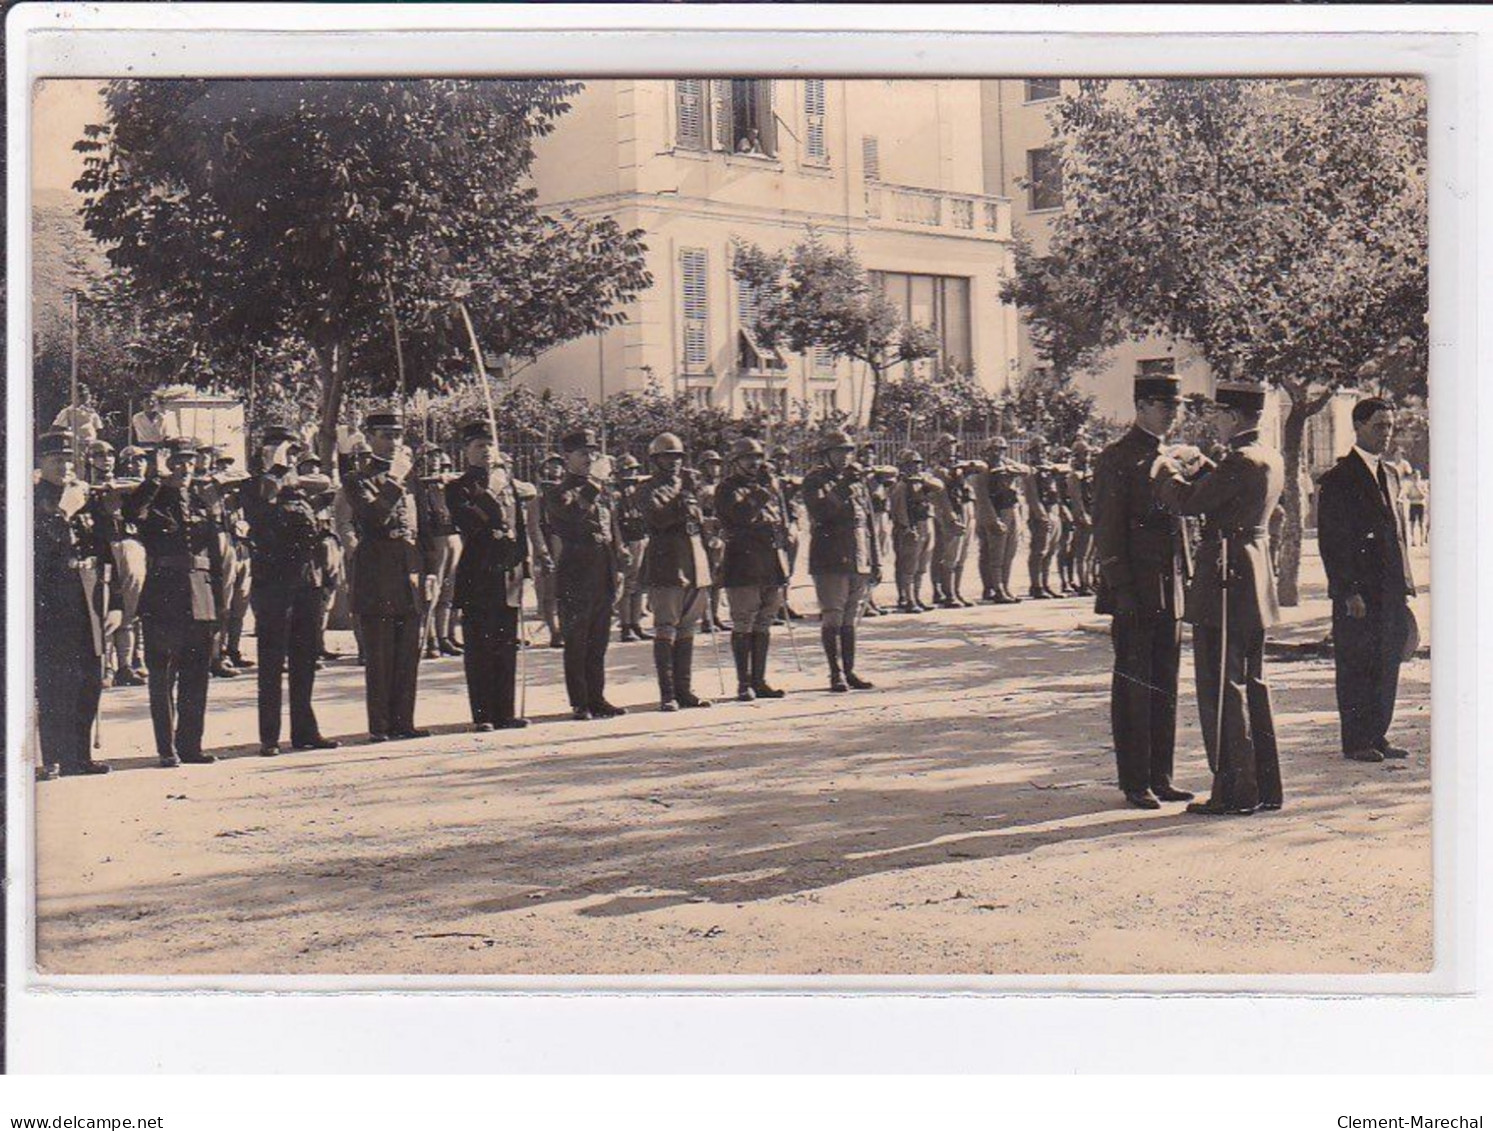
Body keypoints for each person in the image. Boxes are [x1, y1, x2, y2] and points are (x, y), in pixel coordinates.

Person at [1154, 379, 1285, 816]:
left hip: (1227, 575)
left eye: (1217, 414)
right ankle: (1264, 785)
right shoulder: (1266, 456)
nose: (1214, 420)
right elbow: (1228, 495)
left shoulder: (1240, 461)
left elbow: (1190, 502)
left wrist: (1166, 471)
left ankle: (1233, 791)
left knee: (1221, 686)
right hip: (1253, 573)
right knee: (1251, 681)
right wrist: (1208, 466)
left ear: (1232, 416)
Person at [1092, 374, 1195, 810]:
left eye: (1175, 405)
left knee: (1165, 685)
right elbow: (1107, 528)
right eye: (1161, 404)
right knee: (1135, 685)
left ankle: (1161, 775)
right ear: (1140, 406)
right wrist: (1121, 587)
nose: (1171, 412)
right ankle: (1135, 781)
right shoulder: (1117, 458)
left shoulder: (1167, 456)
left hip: (1168, 586)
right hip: (1135, 587)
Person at [1315, 397, 1418, 764]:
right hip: (1358, 592)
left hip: (1390, 588)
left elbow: (1397, 533)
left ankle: (1378, 733)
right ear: (1357, 426)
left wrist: (1406, 582)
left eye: (1389, 426)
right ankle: (1357, 740)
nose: (1385, 433)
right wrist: (1347, 590)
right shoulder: (1339, 479)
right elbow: (1333, 541)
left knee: (1387, 661)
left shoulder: (1390, 474)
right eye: (1378, 425)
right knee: (1357, 663)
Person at [125, 437, 226, 768]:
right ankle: (167, 747)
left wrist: (219, 601)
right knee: (162, 675)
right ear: (168, 464)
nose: (185, 468)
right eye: (178, 462)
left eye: (189, 461)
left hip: (200, 594)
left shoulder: (200, 499)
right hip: (164, 595)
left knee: (197, 674)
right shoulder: (155, 498)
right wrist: (154, 476)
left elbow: (215, 552)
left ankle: (191, 744)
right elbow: (132, 513)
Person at [240, 426, 338, 756]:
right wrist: (276, 469)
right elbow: (264, 507)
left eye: (292, 452)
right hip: (273, 584)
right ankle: (270, 736)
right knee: (271, 662)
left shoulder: (299, 489)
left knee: (305, 659)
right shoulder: (254, 485)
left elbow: (326, 487)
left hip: (306, 581)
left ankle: (304, 730)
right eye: (281, 450)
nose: (289, 457)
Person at [343, 407, 430, 742]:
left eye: (397, 435)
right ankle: (379, 725)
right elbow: (372, 517)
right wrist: (394, 478)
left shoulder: (411, 477)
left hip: (407, 571)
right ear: (370, 438)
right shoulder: (357, 478)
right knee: (380, 654)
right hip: (377, 571)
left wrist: (430, 570)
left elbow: (422, 527)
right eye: (386, 435)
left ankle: (403, 722)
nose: (393, 441)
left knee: (408, 652)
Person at [34, 431, 114, 778]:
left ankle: (78, 756)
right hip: (51, 601)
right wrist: (63, 512)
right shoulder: (34, 500)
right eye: (56, 460)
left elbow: (107, 550)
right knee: (55, 682)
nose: (65, 466)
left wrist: (117, 605)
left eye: (69, 459)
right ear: (41, 463)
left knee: (88, 679)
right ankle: (52, 757)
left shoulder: (84, 497)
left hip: (88, 597)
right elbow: (41, 549)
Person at [446, 421, 530, 732]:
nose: (486, 451)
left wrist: (525, 568)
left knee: (505, 645)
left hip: (508, 574)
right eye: (479, 445)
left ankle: (505, 711)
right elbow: (471, 524)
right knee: (480, 646)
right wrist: (491, 495)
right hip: (479, 573)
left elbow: (518, 529)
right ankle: (483, 713)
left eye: (489, 445)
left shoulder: (507, 485)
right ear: (466, 451)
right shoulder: (459, 487)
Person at [546, 429, 628, 720]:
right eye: (583, 453)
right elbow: (574, 515)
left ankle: (597, 696)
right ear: (567, 457)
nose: (590, 458)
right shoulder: (559, 490)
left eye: (593, 453)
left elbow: (609, 526)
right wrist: (594, 482)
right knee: (577, 640)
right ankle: (580, 701)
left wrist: (618, 561)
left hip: (602, 568)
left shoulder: (601, 490)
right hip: (576, 570)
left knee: (599, 640)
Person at [636, 433, 715, 712]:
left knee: (687, 628)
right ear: (656, 460)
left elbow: (700, 520)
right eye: (668, 457)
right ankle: (667, 693)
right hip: (667, 561)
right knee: (666, 627)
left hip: (695, 560)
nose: (674, 462)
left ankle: (685, 689)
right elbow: (658, 519)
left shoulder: (689, 486)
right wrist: (682, 498)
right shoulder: (647, 488)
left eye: (678, 457)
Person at [802, 431, 878, 693]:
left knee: (851, 618)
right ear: (826, 455)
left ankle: (850, 669)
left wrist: (874, 560)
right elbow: (821, 511)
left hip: (858, 555)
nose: (845, 457)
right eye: (838, 452)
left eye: (848, 451)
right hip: (830, 556)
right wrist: (844, 486)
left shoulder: (856, 481)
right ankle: (835, 674)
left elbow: (867, 522)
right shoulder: (815, 481)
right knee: (833, 615)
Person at [716, 437, 791, 701]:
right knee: (744, 621)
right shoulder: (727, 488)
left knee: (764, 621)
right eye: (748, 458)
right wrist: (762, 492)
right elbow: (740, 516)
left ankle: (759, 680)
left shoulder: (766, 488)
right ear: (735, 462)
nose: (755, 463)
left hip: (770, 561)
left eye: (758, 458)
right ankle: (743, 683)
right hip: (744, 563)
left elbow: (776, 520)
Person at [416, 448, 463, 658]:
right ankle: (430, 639)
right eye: (429, 456)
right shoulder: (418, 483)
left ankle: (444, 637)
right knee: (431, 591)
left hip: (452, 535)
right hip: (433, 538)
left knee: (449, 590)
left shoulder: (447, 483)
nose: (434, 460)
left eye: (437, 456)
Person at [974, 438, 1023, 604]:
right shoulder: (983, 468)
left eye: (1001, 449)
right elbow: (982, 497)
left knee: (1009, 551)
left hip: (1010, 508)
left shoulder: (1006, 463)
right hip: (994, 511)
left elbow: (1026, 470)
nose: (998, 453)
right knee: (995, 553)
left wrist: (1010, 468)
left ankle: (1004, 585)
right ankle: (996, 588)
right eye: (994, 449)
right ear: (986, 451)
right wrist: (993, 519)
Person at [930, 433, 975, 609]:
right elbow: (942, 497)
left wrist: (963, 467)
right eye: (947, 445)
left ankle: (956, 590)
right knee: (950, 554)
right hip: (949, 510)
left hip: (965, 508)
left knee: (962, 554)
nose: (951, 448)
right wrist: (951, 517)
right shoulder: (939, 470)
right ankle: (947, 592)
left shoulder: (959, 467)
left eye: (953, 444)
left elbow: (979, 468)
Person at [889, 448, 937, 613]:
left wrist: (924, 481)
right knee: (908, 565)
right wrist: (907, 528)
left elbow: (939, 487)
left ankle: (916, 596)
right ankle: (908, 598)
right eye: (910, 464)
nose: (915, 468)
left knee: (921, 565)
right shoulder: (902, 486)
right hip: (911, 526)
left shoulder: (923, 482)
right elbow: (899, 509)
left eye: (917, 464)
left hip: (925, 523)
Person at [612, 453, 652, 642]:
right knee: (627, 586)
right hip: (627, 541)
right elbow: (614, 523)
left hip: (642, 537)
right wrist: (620, 545)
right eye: (627, 470)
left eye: (633, 470)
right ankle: (626, 626)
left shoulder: (639, 491)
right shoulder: (615, 495)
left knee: (640, 585)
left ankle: (636, 623)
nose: (631, 474)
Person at [531, 453, 566, 648]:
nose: (554, 470)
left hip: (568, 547)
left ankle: (566, 628)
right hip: (550, 546)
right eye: (550, 466)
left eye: (558, 466)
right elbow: (534, 528)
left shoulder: (567, 496)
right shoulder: (538, 501)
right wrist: (543, 552)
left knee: (567, 593)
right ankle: (554, 631)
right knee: (550, 594)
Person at [1024, 439, 1064, 598]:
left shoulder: (1049, 469)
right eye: (1037, 450)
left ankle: (1046, 584)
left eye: (1043, 450)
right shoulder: (1031, 471)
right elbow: (1033, 497)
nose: (1041, 453)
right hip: (1041, 514)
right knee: (1039, 551)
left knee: (1051, 551)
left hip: (1054, 511)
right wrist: (1041, 516)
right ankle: (1036, 585)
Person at [696, 449, 730, 632]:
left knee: (718, 578)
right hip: (707, 535)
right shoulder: (700, 488)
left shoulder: (722, 486)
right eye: (711, 464)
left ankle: (715, 615)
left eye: (717, 464)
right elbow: (697, 514)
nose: (715, 467)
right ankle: (706, 618)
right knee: (708, 577)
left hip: (721, 534)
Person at [1066, 439, 1096, 596]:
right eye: (1083, 454)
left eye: (1088, 454)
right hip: (1084, 517)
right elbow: (1076, 499)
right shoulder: (1075, 476)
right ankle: (1083, 583)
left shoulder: (1089, 473)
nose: (1086, 457)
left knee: (1091, 554)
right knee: (1082, 554)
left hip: (1093, 514)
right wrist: (1083, 516)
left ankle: (1089, 581)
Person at [1403, 467, 1428, 547]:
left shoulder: (1423, 484)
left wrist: (1418, 488)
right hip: (1413, 504)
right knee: (1412, 523)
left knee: (1421, 523)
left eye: (1417, 475)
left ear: (1420, 476)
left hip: (1420, 504)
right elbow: (1408, 496)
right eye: (1415, 475)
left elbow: (1423, 496)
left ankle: (1422, 540)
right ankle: (1413, 540)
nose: (1416, 477)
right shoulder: (1410, 485)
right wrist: (1413, 495)